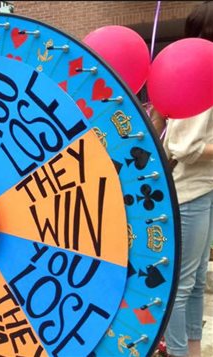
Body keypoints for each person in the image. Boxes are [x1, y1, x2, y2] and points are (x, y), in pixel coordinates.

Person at [162, 2, 213, 356]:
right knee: (181, 285)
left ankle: (192, 350)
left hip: (203, 189)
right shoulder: (198, 75)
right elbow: (183, 145)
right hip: (189, 193)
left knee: (195, 282)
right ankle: (180, 352)